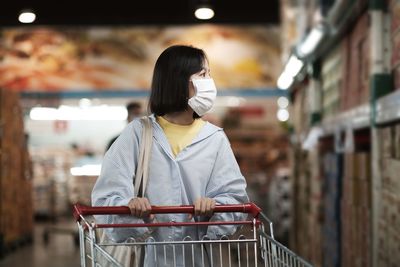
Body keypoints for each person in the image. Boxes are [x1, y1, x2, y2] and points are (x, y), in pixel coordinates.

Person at [91, 45, 249, 266]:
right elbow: (106, 197)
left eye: (209, 75)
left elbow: (235, 198)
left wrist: (215, 207)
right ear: (178, 80)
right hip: (150, 257)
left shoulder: (215, 139)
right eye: (203, 75)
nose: (209, 82)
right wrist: (130, 206)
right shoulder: (137, 134)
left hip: (201, 258)